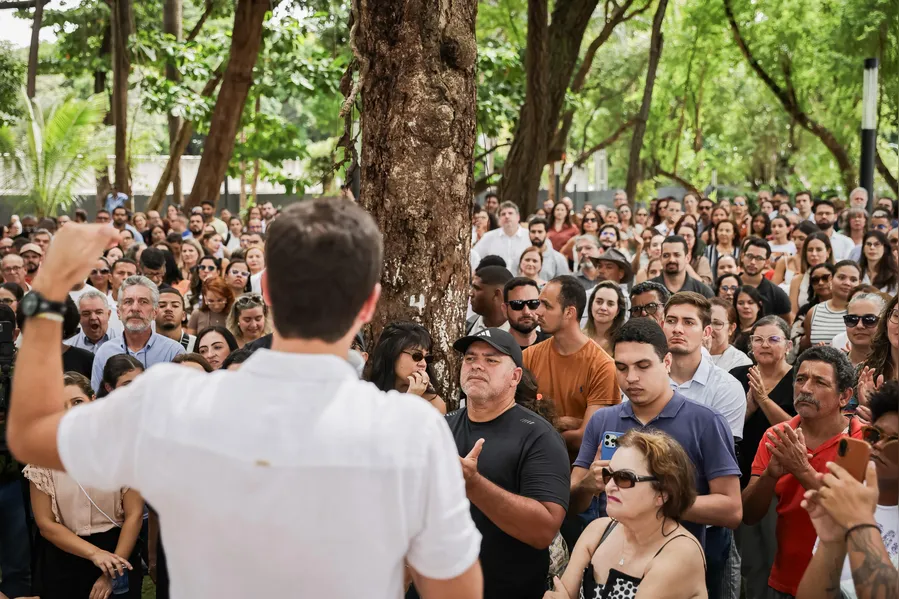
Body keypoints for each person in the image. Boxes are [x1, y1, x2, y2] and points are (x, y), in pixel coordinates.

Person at [10, 201, 487, 596]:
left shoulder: (173, 402)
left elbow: (30, 435)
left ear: (269, 290)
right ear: (368, 303)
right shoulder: (412, 430)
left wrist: (49, 289)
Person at [415, 328, 568, 598]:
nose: (477, 366)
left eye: (491, 360)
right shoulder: (440, 427)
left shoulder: (539, 437)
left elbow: (544, 530)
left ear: (515, 377)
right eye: (470, 358)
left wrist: (473, 484)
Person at [568, 318, 742, 547]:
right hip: (609, 557)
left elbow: (732, 511)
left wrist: (655, 500)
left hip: (677, 560)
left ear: (666, 362)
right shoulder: (602, 420)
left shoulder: (706, 422)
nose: (631, 378)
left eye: (643, 366)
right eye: (621, 367)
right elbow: (571, 503)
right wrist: (588, 485)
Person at [741, 346, 864, 598]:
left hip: (845, 586)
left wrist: (801, 470)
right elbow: (749, 515)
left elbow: (852, 518)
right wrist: (769, 476)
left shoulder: (862, 440)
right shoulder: (776, 436)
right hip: (785, 582)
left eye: (820, 382)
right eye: (800, 379)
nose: (806, 388)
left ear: (844, 396)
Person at [546, 430, 707, 599]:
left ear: (663, 493)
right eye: (608, 475)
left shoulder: (681, 554)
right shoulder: (598, 531)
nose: (609, 487)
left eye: (624, 478)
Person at [24, 371, 143, 599]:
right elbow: (46, 523)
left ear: (92, 400)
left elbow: (134, 514)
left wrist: (111, 571)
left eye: (77, 402)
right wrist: (95, 554)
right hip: (64, 557)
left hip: (118, 549)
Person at [796, 380, 898, 599]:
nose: (878, 446)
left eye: (894, 442)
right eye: (875, 434)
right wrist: (831, 541)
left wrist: (859, 520)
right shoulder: (848, 498)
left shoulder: (854, 509)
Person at [525, 275, 620, 460]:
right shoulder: (529, 356)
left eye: (547, 306)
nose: (538, 312)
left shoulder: (602, 366)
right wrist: (562, 422)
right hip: (532, 465)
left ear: (569, 312)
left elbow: (585, 438)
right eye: (539, 303)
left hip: (579, 469)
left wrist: (537, 434)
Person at [90, 276, 186, 391]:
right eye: (128, 302)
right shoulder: (105, 352)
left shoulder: (173, 352)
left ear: (155, 312)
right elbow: (98, 398)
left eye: (143, 302)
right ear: (119, 312)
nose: (135, 308)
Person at [366, 322, 446, 415]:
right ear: (393, 354)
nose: (423, 364)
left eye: (427, 358)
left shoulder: (433, 404)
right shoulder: (367, 395)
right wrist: (410, 399)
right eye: (417, 356)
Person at [802, 261, 860, 350]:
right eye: (841, 277)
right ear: (830, 279)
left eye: (853, 280)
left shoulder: (863, 313)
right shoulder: (814, 311)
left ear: (859, 283)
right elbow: (807, 346)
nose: (847, 283)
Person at [739, 239, 793, 323]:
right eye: (749, 256)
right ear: (742, 257)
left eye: (759, 258)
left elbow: (787, 323)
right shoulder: (729, 285)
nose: (753, 262)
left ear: (767, 262)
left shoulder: (777, 294)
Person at [474, 202, 531, 269]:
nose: (507, 216)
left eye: (510, 213)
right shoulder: (488, 237)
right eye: (503, 214)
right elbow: (475, 257)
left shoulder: (529, 236)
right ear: (499, 218)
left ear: (518, 217)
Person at [789, 231, 834, 314]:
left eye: (819, 249)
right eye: (810, 250)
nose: (814, 254)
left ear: (828, 252)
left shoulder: (837, 277)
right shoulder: (797, 280)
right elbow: (793, 313)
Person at [501, 277, 550, 350]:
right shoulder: (494, 349)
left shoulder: (553, 346)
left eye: (533, 303)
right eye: (517, 304)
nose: (526, 312)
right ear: (504, 309)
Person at [840, 292, 887, 368]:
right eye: (852, 319)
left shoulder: (893, 367)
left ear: (884, 323)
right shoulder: (833, 366)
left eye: (869, 320)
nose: (859, 326)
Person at [707, 298, 752, 372]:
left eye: (717, 323)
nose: (709, 329)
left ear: (731, 328)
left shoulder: (741, 363)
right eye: (705, 322)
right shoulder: (688, 354)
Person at [583, 281, 625, 357]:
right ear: (591, 305)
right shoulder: (579, 337)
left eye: (610, 304)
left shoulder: (623, 343)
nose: (603, 308)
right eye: (599, 302)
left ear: (618, 311)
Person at [155, 288, 196, 352]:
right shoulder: (143, 343)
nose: (168, 308)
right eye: (162, 306)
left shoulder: (196, 343)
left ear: (183, 315)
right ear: (153, 313)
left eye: (175, 306)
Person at [733, 285, 765, 354]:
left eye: (750, 303)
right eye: (741, 303)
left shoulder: (765, 329)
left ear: (759, 305)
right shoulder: (730, 328)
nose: (746, 306)